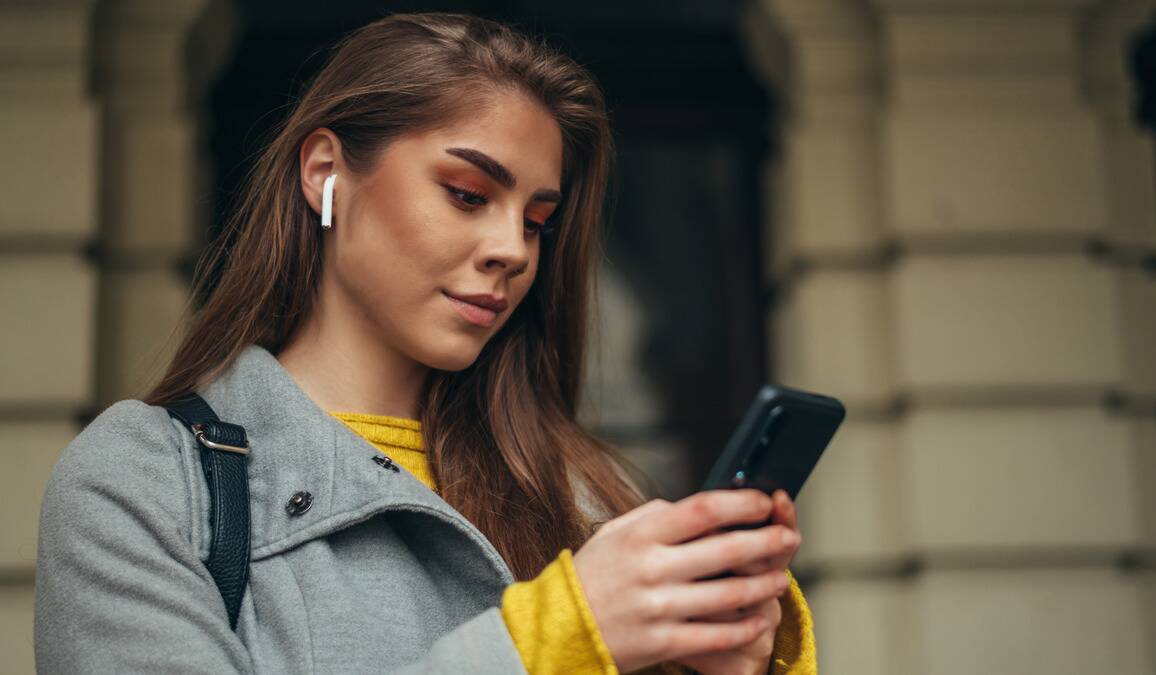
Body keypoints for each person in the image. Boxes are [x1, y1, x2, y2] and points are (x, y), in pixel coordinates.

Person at [34, 11, 816, 675]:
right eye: (468, 194)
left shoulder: (587, 499)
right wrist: (553, 641)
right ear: (325, 172)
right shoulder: (146, 485)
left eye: (537, 221)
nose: (512, 247)